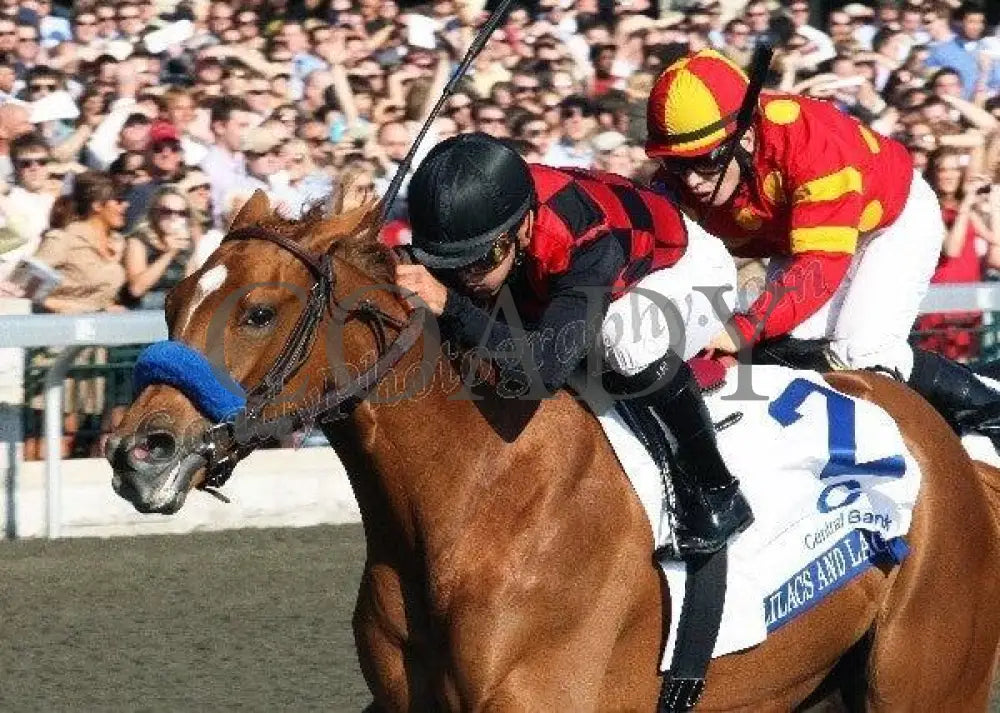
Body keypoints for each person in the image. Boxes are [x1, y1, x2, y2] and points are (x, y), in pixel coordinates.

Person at [395, 132, 752, 557]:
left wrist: (453, 305)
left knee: (621, 340)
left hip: (688, 273)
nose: (467, 276)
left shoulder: (584, 241)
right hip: (571, 273)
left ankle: (718, 489)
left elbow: (545, 369)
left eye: (482, 260)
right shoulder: (492, 226)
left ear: (524, 225)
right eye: (449, 265)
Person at [644, 48, 1000, 445]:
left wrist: (741, 329)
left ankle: (992, 411)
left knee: (861, 353)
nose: (691, 180)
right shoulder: (677, 181)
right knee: (789, 352)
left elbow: (819, 265)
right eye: (677, 164)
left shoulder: (813, 144)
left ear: (744, 135)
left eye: (706, 160)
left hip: (890, 221)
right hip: (802, 236)